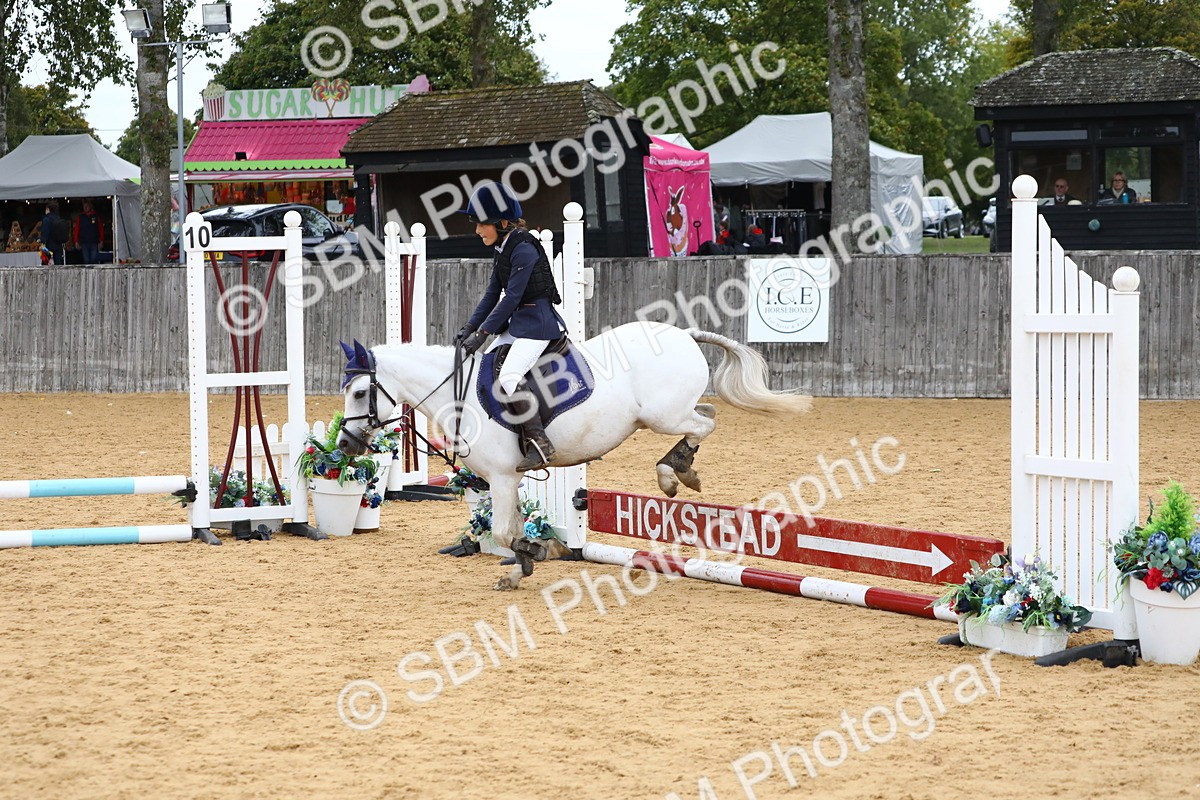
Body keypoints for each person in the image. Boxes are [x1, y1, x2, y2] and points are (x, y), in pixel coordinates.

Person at [454, 181, 567, 471]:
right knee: (486, 366)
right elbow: (492, 294)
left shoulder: (524, 249)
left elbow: (512, 296)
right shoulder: (503, 247)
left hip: (538, 325)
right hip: (518, 323)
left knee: (508, 377)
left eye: (482, 224)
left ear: (502, 222)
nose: (477, 230)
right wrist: (470, 327)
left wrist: (482, 334)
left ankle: (540, 443)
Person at [73, 200, 106, 264]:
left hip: (94, 242)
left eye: (87, 206)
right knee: (86, 260)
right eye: (84, 206)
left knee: (94, 260)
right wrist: (76, 241)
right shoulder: (81, 217)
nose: (85, 208)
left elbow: (100, 229)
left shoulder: (96, 216)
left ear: (90, 206)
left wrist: (101, 240)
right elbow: (76, 229)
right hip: (84, 242)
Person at [39, 201, 66, 265]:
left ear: (48, 209)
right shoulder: (59, 218)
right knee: (58, 265)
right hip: (58, 245)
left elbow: (45, 233)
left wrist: (42, 241)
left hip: (48, 245)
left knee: (45, 265)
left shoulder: (46, 219)